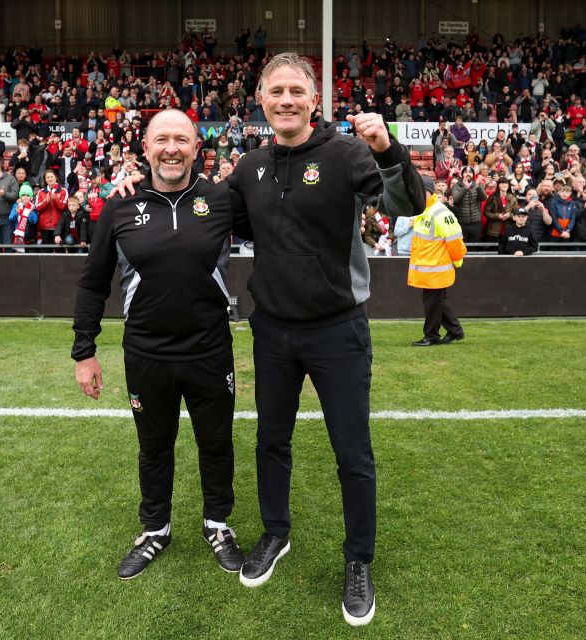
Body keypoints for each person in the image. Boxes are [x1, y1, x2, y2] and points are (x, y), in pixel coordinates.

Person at [225, 53, 423, 627]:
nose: (285, 100)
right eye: (275, 91)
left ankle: (358, 560)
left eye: (296, 91)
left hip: (338, 330)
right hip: (273, 331)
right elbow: (215, 218)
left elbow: (407, 204)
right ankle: (275, 533)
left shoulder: (346, 152)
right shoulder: (250, 166)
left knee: (353, 454)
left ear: (315, 100)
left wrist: (386, 148)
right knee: (271, 441)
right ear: (260, 100)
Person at [72, 109, 247, 581]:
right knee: (154, 447)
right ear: (145, 148)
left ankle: (218, 523)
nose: (172, 148)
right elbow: (93, 284)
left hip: (210, 351)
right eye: (162, 139)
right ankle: (155, 530)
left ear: (197, 148)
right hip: (146, 354)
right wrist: (84, 351)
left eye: (182, 140)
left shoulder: (222, 200)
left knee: (216, 442)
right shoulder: (120, 207)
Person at [408, 175, 467, 344]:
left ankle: (431, 336)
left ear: (428, 192)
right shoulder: (424, 210)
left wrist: (457, 261)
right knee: (438, 302)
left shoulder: (439, 212)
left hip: (437, 268)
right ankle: (455, 331)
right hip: (430, 269)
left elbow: (455, 242)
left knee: (433, 304)